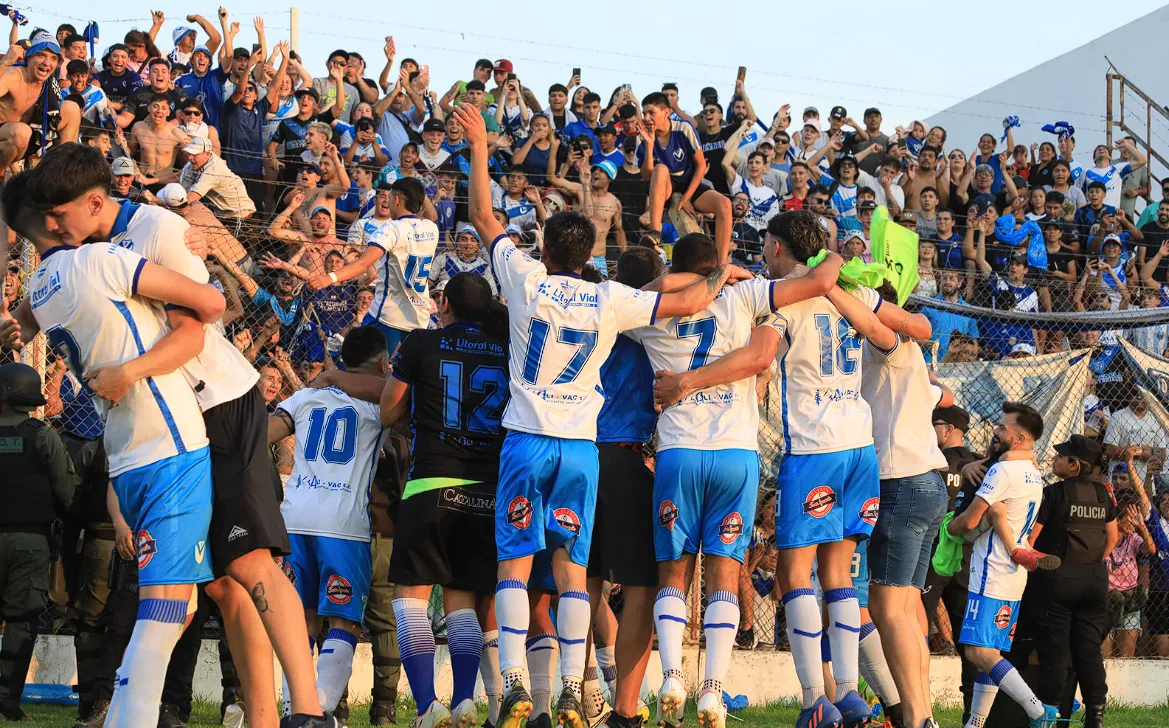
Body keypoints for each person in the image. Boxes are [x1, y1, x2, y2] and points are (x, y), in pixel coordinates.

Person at [17, 146, 335, 728]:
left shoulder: (157, 229)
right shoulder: (89, 251)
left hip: (218, 402)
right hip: (172, 420)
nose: (53, 228)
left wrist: (127, 375)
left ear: (93, 201)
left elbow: (198, 324)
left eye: (58, 215)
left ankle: (309, 713)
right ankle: (263, 718)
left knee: (252, 563)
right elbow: (30, 313)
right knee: (217, 584)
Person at [453, 101, 735, 728]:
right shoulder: (611, 298)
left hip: (527, 438)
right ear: (588, 255)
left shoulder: (524, 279)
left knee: (516, 565)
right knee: (573, 569)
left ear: (546, 247)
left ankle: (519, 685)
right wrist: (721, 278)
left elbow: (481, 215)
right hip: (581, 449)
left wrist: (479, 147)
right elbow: (683, 302)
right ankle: (582, 693)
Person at [1, 172, 225, 728]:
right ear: (56, 217)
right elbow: (210, 302)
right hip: (169, 441)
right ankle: (133, 720)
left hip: (124, 456)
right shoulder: (98, 263)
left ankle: (125, 712)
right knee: (170, 604)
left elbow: (19, 321)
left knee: (173, 601)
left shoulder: (39, 295)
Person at [628, 232, 843, 728]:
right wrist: (835, 252)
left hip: (678, 453)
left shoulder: (651, 307)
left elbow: (652, 288)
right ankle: (714, 691)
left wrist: (694, 280)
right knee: (726, 572)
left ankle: (671, 677)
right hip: (736, 455)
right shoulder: (743, 294)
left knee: (674, 574)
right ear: (717, 265)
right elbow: (821, 279)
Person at [378, 274, 507, 728]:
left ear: (445, 302)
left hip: (432, 480)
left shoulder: (420, 344)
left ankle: (428, 707)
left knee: (411, 600)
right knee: (463, 601)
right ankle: (465, 702)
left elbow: (388, 410)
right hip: (486, 488)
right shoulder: (506, 349)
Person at [267, 326, 389, 715]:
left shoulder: (306, 396)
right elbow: (403, 401)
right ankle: (315, 711)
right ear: (384, 363)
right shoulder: (378, 407)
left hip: (294, 521)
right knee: (344, 622)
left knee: (299, 620)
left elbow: (264, 434)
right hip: (343, 527)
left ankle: (293, 710)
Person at [861, 283, 950, 728]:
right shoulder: (912, 356)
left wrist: (844, 292)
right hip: (927, 485)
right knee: (909, 607)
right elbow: (944, 397)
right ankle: (925, 713)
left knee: (887, 608)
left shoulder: (889, 343)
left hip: (901, 484)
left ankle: (914, 718)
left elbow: (874, 323)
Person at [946, 402, 1060, 728]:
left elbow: (969, 522)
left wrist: (948, 528)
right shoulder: (1033, 473)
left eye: (1002, 428)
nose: (996, 432)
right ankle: (976, 723)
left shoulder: (1002, 471)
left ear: (1020, 437)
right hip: (1014, 573)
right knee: (990, 652)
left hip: (991, 570)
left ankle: (1037, 710)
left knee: (977, 652)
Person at [1021, 435, 1117, 728]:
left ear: (1074, 465)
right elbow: (1112, 538)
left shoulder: (1054, 494)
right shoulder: (1103, 495)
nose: (1055, 459)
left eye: (1061, 457)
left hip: (1058, 581)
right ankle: (1095, 715)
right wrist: (1088, 564)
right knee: (1088, 651)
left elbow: (1031, 539)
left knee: (1056, 650)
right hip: (1094, 581)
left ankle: (1049, 715)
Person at [0, 363, 77, 721]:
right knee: (22, 621)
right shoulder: (43, 436)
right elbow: (66, 491)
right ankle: (7, 702)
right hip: (31, 541)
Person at [309, 178, 439, 355]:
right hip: (419, 316)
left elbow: (363, 263)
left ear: (397, 200)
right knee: (404, 374)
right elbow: (432, 216)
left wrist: (329, 277)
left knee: (363, 366)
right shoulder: (431, 228)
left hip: (387, 316)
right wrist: (418, 192)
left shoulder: (391, 228)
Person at [921, 406, 982, 723]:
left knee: (916, 630)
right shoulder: (979, 464)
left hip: (932, 557)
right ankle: (973, 714)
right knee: (967, 639)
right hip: (965, 560)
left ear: (949, 429)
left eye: (935, 424)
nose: (931, 429)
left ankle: (913, 709)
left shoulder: (927, 458)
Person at [639, 92, 733, 262]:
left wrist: (687, 198)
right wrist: (650, 145)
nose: (646, 118)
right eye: (644, 113)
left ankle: (721, 261)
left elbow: (701, 165)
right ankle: (654, 234)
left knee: (725, 205)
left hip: (689, 183)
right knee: (660, 169)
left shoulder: (683, 128)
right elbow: (646, 176)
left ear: (666, 112)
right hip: (663, 186)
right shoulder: (643, 135)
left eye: (651, 113)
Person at [0, 33, 81, 174]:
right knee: (21, 132)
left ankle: (65, 173)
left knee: (71, 108)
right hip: (8, 137)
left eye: (53, 58)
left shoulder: (49, 85)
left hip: (27, 140)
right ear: (29, 57)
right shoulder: (13, 75)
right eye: (41, 55)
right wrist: (4, 63)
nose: (47, 63)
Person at [177, 136, 257, 220]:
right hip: (221, 214)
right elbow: (180, 182)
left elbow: (191, 198)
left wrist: (170, 207)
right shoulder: (194, 164)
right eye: (189, 153)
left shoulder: (213, 170)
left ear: (207, 154)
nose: (190, 157)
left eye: (195, 154)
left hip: (239, 215)